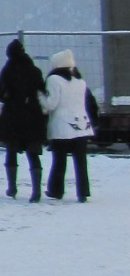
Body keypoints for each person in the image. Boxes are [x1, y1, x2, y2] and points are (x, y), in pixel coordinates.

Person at [0, 39, 46, 201]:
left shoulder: (7, 70)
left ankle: (12, 187)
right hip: (33, 116)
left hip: (13, 116)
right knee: (33, 153)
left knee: (11, 151)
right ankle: (36, 191)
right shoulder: (34, 70)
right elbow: (42, 90)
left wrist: (8, 98)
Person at [43, 48, 95, 202]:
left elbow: (51, 104)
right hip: (81, 125)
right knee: (81, 162)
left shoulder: (54, 80)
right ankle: (83, 192)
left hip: (62, 126)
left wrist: (40, 97)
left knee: (59, 161)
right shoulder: (80, 81)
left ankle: (56, 190)